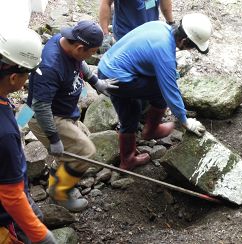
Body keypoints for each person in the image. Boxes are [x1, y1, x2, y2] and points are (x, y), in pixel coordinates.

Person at [98, 13, 212, 170]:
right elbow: (170, 89)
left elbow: (146, 58)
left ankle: (127, 158)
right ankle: (151, 130)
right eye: (192, 47)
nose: (191, 50)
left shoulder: (160, 27)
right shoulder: (164, 50)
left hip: (106, 69)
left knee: (131, 110)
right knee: (160, 90)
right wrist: (185, 121)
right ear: (184, 41)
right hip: (118, 78)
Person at [27, 20, 117, 212]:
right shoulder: (51, 66)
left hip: (64, 111)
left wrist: (95, 81)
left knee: (73, 149)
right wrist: (53, 138)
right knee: (85, 151)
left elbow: (80, 62)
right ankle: (59, 194)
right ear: (79, 47)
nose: (92, 56)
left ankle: (56, 180)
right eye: (92, 52)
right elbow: (40, 106)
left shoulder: (66, 41)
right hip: (48, 116)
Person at [0, 27, 57, 243]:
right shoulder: (5, 134)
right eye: (27, 76)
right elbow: (11, 196)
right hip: (5, 212)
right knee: (29, 227)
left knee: (37, 215)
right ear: (14, 78)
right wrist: (41, 236)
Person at [99, 0, 174, 45]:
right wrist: (105, 34)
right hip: (126, 34)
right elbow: (106, 2)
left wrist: (171, 23)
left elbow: (165, 3)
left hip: (150, 32)